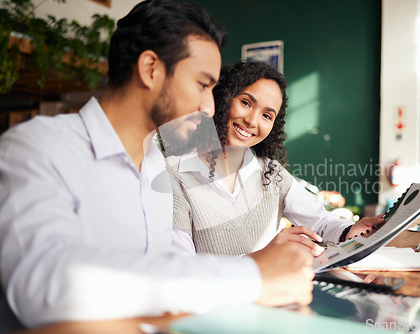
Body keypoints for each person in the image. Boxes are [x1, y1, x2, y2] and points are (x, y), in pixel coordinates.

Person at [0, 0, 314, 328]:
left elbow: (173, 282)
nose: (209, 107)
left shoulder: (157, 168)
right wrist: (253, 276)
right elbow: (45, 284)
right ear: (150, 69)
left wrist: (260, 268)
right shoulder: (37, 147)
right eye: (202, 84)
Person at [167, 61, 384, 256]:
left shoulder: (270, 173)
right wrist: (262, 258)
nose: (252, 121)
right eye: (245, 102)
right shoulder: (174, 174)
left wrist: (349, 231)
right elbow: (181, 267)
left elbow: (320, 221)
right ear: (222, 97)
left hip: (269, 294)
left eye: (267, 116)